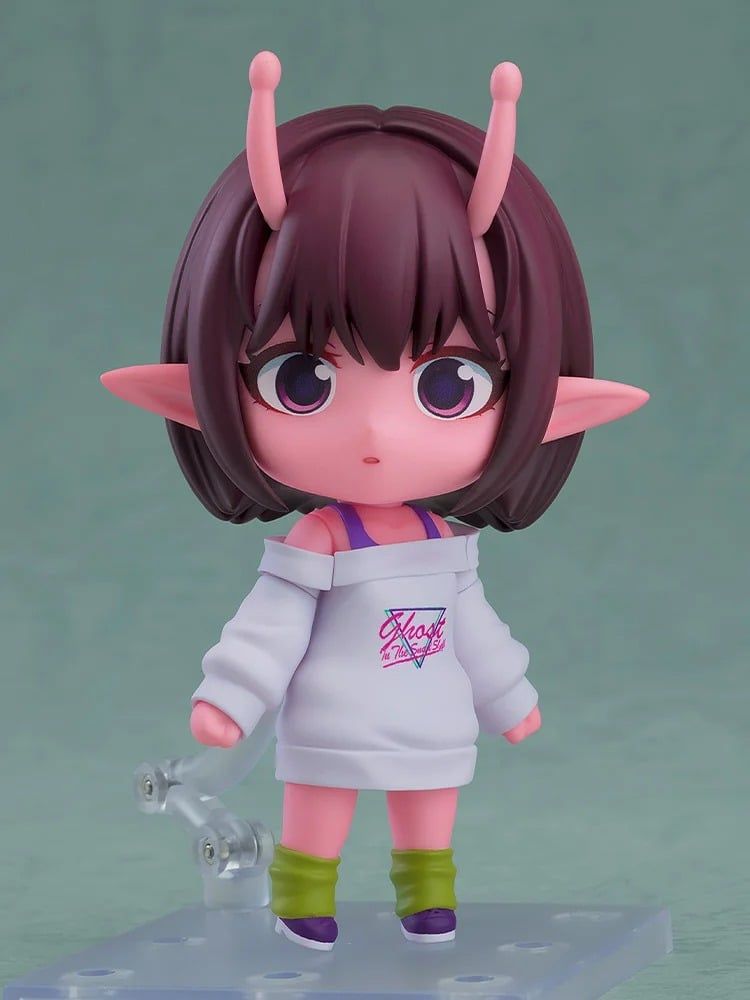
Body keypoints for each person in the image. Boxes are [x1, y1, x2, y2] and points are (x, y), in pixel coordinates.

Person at [101, 51, 648, 951]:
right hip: (330, 713)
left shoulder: (442, 541)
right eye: (302, 378)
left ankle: (426, 898)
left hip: (431, 716)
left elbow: (473, 626)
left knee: (428, 809)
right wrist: (230, 697)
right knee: (318, 805)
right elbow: (269, 626)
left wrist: (508, 695)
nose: (377, 432)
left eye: (449, 384)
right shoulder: (322, 538)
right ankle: (303, 899)